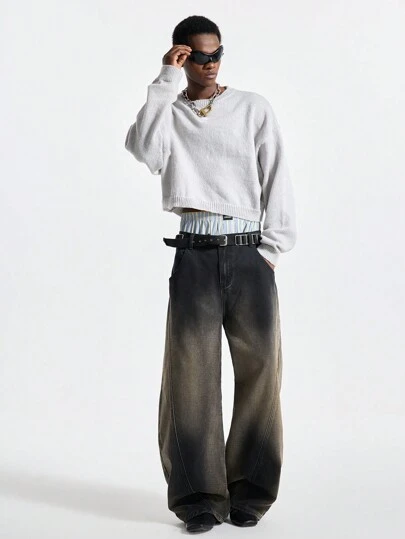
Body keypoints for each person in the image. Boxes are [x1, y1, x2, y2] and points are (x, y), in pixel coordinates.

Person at [125, 15, 297, 534]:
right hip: (194, 254)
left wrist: (272, 249)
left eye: (216, 53)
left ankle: (251, 491)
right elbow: (144, 152)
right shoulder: (169, 112)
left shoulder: (252, 107)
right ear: (181, 56)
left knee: (261, 371)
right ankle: (199, 497)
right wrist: (163, 81)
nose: (210, 63)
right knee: (190, 376)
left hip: (249, 253)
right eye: (198, 56)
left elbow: (277, 173)